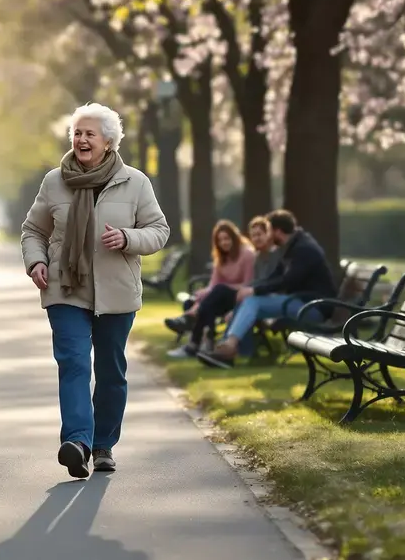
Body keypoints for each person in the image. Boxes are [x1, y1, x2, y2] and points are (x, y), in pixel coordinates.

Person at [20, 102, 169, 478]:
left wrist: (128, 237)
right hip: (65, 288)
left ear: (109, 142)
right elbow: (33, 230)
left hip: (116, 292)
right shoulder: (55, 180)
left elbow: (159, 230)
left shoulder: (135, 182)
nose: (82, 139)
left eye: (90, 133)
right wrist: (36, 261)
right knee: (73, 363)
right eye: (77, 133)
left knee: (111, 371)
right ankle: (77, 442)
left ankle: (103, 444)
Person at [197, 209, 335, 369]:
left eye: (268, 231)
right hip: (298, 302)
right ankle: (228, 350)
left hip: (313, 307)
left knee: (253, 301)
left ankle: (228, 348)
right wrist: (250, 288)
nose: (268, 236)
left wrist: (254, 292)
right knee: (247, 300)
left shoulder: (304, 249)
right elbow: (273, 277)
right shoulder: (291, 246)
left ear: (277, 231)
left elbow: (287, 281)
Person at [164, 220, 256, 358]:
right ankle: (205, 342)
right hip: (219, 298)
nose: (224, 243)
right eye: (220, 240)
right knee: (192, 301)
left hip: (241, 298)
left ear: (234, 237)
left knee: (218, 291)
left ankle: (192, 343)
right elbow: (213, 284)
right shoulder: (221, 257)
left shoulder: (247, 254)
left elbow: (249, 284)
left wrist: (221, 288)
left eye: (227, 238)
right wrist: (202, 294)